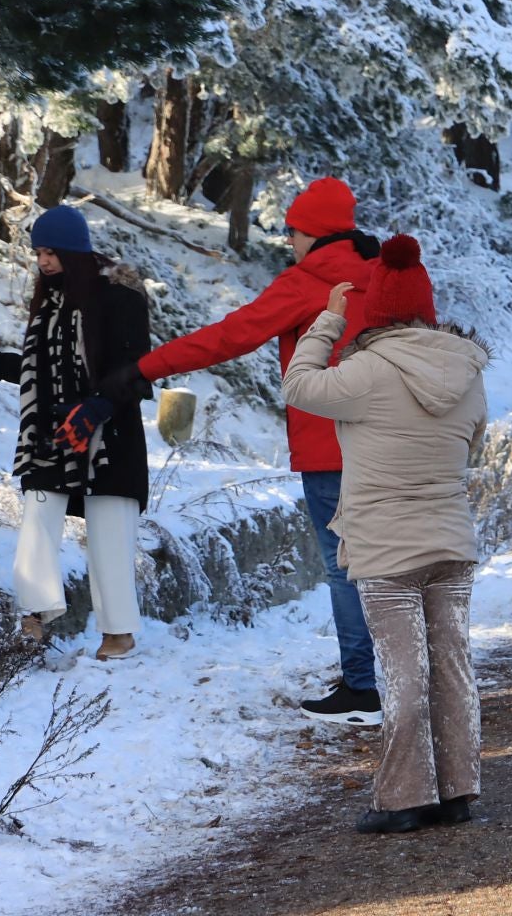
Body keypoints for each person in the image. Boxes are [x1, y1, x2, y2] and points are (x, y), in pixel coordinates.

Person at [97, 178, 383, 725]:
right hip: (397, 442)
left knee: (347, 566)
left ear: (313, 233)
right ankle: (405, 673)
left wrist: (141, 368)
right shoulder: (390, 273)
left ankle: (364, 688)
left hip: (332, 446)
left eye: (292, 233)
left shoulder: (311, 281)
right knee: (396, 564)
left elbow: (232, 335)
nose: (289, 244)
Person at [282, 236, 489, 834]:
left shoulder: (364, 372)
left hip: (386, 549)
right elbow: (472, 442)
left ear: (375, 313)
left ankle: (403, 798)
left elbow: (297, 386)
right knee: (452, 667)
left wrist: (328, 320)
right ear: (427, 309)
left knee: (403, 672)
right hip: (451, 541)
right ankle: (457, 793)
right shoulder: (468, 372)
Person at [0, 205, 152, 662]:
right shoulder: (50, 302)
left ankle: (119, 635)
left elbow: (136, 372)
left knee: (109, 534)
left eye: (52, 252)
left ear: (75, 251)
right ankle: (34, 619)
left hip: (110, 436)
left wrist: (97, 408)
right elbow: (39, 369)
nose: (44, 261)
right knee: (36, 521)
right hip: (52, 435)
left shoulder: (120, 299)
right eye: (39, 252)